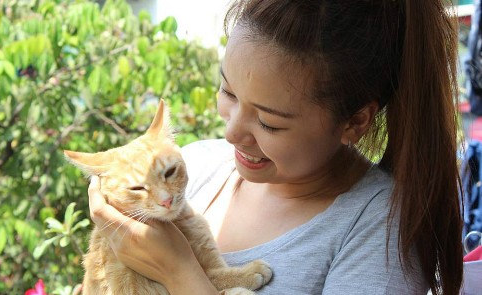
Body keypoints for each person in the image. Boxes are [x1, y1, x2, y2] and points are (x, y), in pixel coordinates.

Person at [87, 0, 464, 294]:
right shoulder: (198, 166)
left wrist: (179, 272)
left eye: (269, 122)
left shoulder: (378, 232)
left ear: (355, 122)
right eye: (228, 91)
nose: (232, 132)